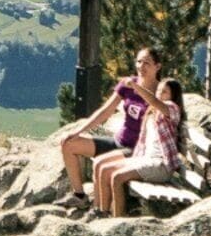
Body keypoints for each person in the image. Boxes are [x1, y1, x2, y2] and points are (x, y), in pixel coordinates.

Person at [58, 49, 158, 197]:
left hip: (136, 150)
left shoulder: (160, 91)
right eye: (139, 61)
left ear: (158, 66)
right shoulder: (127, 84)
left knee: (100, 164)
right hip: (118, 142)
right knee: (68, 143)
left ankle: (101, 210)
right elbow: (106, 111)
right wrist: (78, 131)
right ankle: (79, 196)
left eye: (147, 63)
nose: (141, 66)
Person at [93, 66, 187, 215]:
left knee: (117, 177)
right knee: (104, 168)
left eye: (165, 92)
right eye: (159, 90)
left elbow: (154, 101)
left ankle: (118, 222)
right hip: (146, 159)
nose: (159, 94)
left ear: (173, 96)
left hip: (161, 165)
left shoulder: (172, 109)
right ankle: (102, 212)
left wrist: (135, 86)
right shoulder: (152, 112)